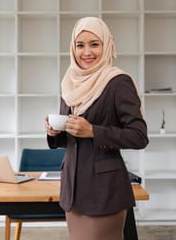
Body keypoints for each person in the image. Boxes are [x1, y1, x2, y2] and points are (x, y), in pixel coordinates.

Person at [46, 17, 148, 240]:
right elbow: (72, 138)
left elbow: (139, 136)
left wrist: (93, 131)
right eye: (80, 45)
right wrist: (55, 132)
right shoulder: (70, 83)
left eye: (94, 44)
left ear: (107, 45)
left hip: (104, 189)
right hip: (72, 188)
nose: (86, 52)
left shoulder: (118, 82)